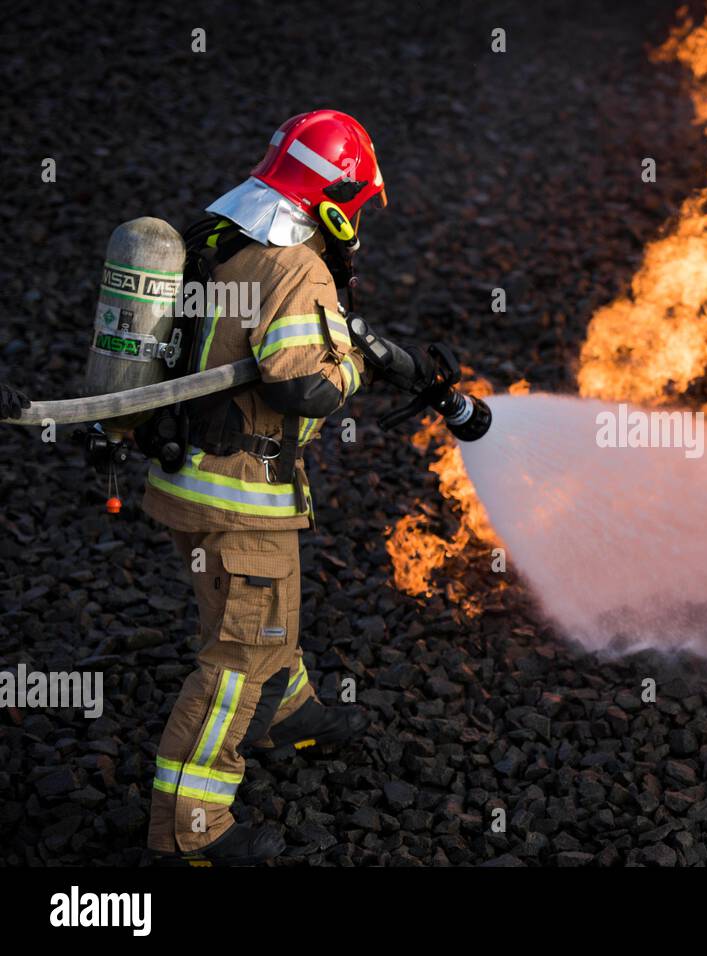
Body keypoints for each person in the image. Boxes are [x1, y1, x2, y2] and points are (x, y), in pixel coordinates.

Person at [142, 110, 442, 865]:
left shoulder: (220, 236)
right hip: (239, 491)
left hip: (189, 476)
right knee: (234, 657)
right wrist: (351, 365)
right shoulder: (296, 266)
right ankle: (190, 830)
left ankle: (289, 710)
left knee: (270, 609)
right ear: (335, 200)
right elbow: (302, 387)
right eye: (359, 205)